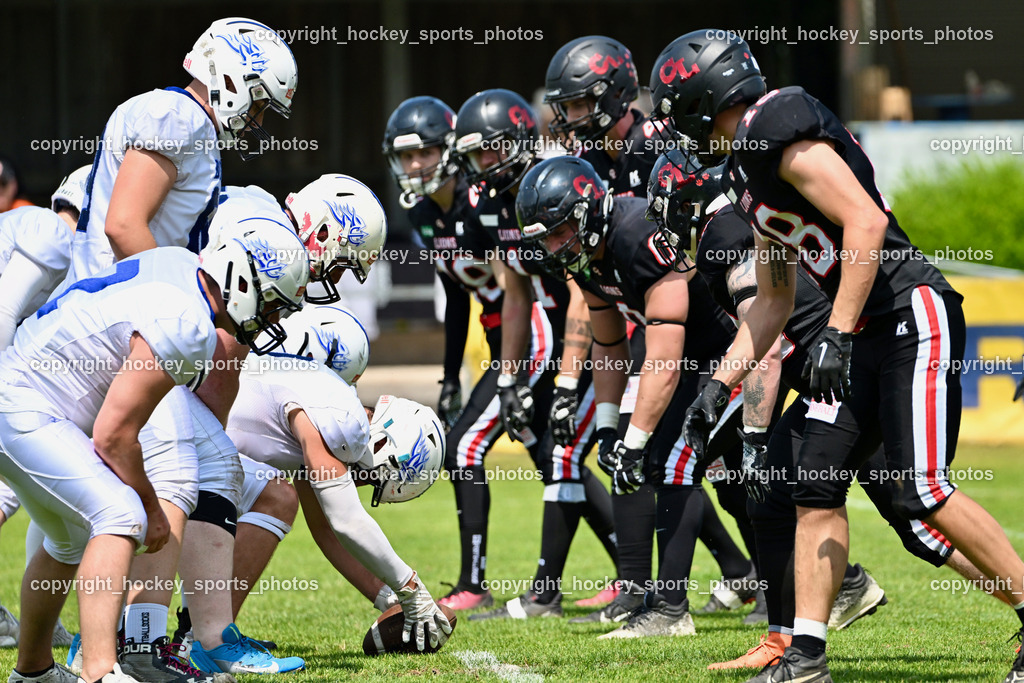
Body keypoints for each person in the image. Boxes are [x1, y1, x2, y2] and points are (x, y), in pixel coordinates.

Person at [657, 30, 1024, 682]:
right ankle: (807, 655)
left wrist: (838, 331)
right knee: (812, 484)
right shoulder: (746, 172)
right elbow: (771, 299)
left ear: (705, 95)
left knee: (921, 490)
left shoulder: (776, 122)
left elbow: (866, 220)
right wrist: (719, 383)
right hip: (862, 329)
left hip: (910, 313)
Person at [0, 221, 307, 683]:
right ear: (242, 284)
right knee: (120, 514)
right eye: (273, 305)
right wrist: (152, 507)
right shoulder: (188, 325)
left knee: (67, 542)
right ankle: (102, 670)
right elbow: (113, 436)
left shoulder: (181, 266)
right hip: (25, 404)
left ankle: (34, 671)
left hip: (24, 392)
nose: (274, 320)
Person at [544, 35, 758, 620]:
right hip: (661, 318)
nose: (572, 121)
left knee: (686, 459)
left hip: (723, 316)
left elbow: (703, 244)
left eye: (582, 106)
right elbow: (595, 290)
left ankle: (679, 598)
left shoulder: (663, 147)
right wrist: (586, 393)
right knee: (698, 461)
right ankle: (706, 582)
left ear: (614, 97)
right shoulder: (591, 172)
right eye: (566, 109)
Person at [513, 155, 735, 637]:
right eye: (544, 238)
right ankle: (654, 597)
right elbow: (610, 343)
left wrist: (634, 437)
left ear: (588, 211)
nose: (554, 246)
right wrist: (611, 425)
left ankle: (671, 611)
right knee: (705, 476)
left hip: (731, 354)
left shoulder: (636, 237)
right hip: (691, 356)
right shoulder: (588, 255)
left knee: (672, 464)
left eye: (559, 231)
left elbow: (665, 356)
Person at [449, 90, 618, 616]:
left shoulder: (553, 182)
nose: (483, 167)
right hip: (569, 334)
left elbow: (579, 295)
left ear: (519, 142)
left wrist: (566, 382)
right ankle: (729, 571)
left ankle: (569, 591)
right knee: (563, 456)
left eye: (491, 152)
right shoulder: (492, 202)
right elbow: (515, 291)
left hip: (608, 331)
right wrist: (507, 378)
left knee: (644, 457)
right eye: (475, 157)